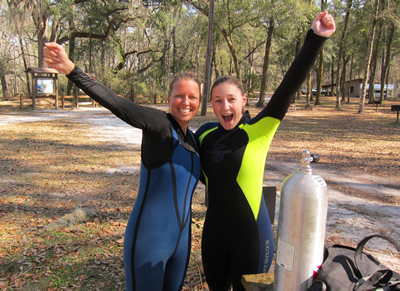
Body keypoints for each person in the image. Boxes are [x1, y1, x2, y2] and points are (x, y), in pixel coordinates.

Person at [195, 11, 336, 291]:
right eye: (218, 101)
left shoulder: (259, 130)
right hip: (213, 237)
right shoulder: (204, 135)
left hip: (251, 238)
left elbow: (288, 86)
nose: (225, 107)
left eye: (231, 100)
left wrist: (316, 38)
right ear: (211, 103)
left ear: (243, 100)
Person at [44, 43, 202, 291]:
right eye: (179, 96)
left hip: (181, 244)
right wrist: (71, 70)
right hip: (149, 240)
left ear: (199, 101)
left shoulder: (193, 140)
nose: (186, 102)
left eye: (192, 97)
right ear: (169, 98)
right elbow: (116, 103)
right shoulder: (158, 124)